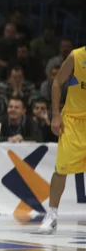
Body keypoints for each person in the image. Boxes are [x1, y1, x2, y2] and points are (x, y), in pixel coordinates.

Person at [39, 46, 86, 234]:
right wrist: (56, 114)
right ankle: (52, 215)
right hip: (73, 121)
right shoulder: (77, 56)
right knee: (61, 168)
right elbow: (57, 83)